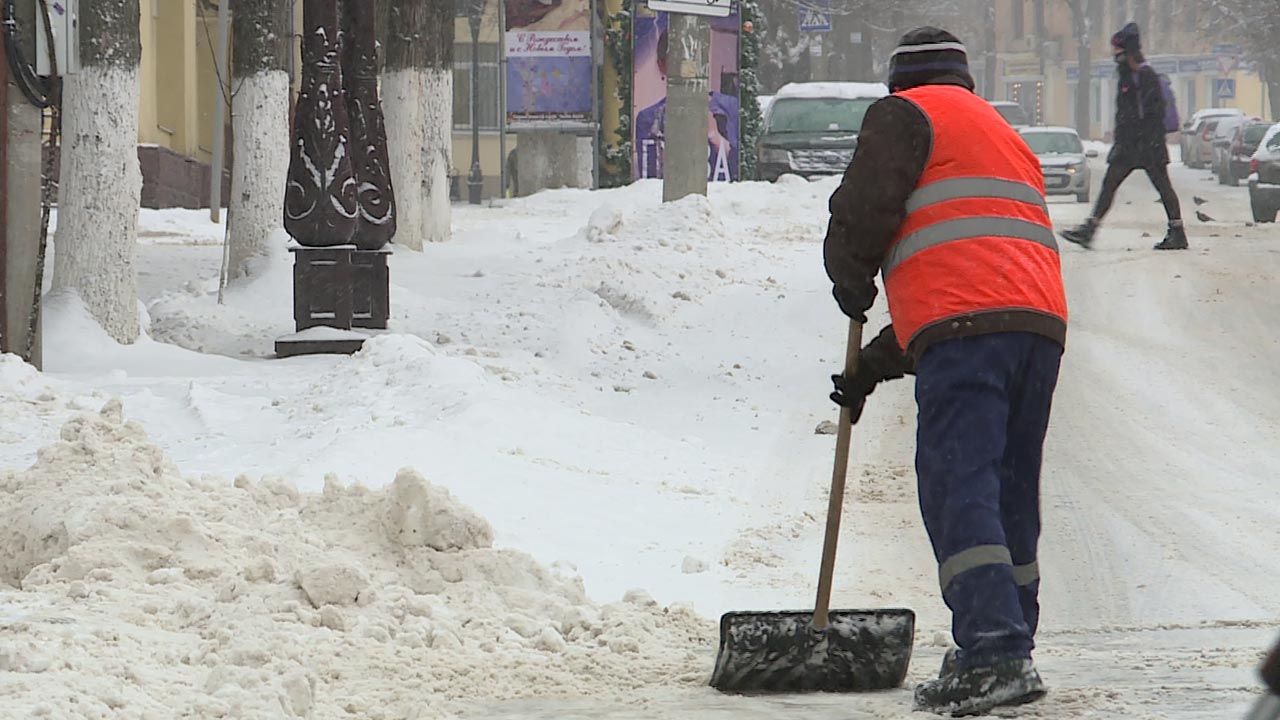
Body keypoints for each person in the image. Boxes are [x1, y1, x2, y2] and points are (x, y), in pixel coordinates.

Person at [821, 27, 1068, 716]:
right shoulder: (998, 131)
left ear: (900, 81)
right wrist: (872, 366)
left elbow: (863, 211)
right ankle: (1009, 643)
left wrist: (849, 276)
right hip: (1037, 329)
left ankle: (992, 650)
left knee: (958, 483)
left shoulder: (905, 116)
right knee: (1010, 491)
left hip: (969, 333)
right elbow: (969, 267)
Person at [1060, 22, 1188, 250]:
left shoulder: (1143, 76)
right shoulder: (1129, 75)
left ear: (1127, 51)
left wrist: (1134, 138)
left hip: (1143, 145)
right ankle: (1090, 229)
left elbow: (1148, 113)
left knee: (1161, 187)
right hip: (1134, 144)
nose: (1114, 55)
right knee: (1111, 185)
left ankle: (1177, 232)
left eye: (1117, 51)